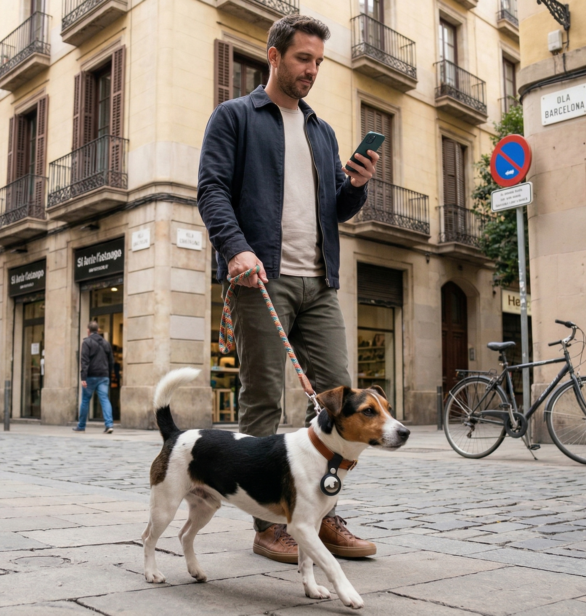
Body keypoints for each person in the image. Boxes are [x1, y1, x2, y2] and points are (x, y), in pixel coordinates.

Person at [196, 15, 380, 564]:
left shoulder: (321, 131)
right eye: (304, 59)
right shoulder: (234, 118)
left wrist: (356, 188)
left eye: (319, 62)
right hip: (262, 277)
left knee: (341, 403)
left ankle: (318, 515)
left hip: (320, 281)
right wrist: (237, 250)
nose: (313, 70)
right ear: (274, 56)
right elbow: (211, 191)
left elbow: (333, 211)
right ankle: (265, 523)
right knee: (262, 400)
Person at [75, 321, 114, 434]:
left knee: (85, 400)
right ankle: (109, 425)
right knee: (105, 399)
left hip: (91, 376)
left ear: (88, 330)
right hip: (104, 376)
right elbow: (111, 361)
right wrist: (109, 374)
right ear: (98, 330)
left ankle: (81, 426)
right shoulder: (106, 343)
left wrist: (83, 377)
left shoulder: (87, 342)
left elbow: (84, 361)